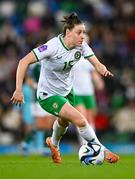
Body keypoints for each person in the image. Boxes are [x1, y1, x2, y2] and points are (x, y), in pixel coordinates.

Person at [11, 12, 119, 164]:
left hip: (67, 91)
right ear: (68, 32)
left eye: (84, 32)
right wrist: (18, 89)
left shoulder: (81, 46)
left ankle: (53, 144)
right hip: (48, 95)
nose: (83, 36)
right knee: (80, 120)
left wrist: (101, 68)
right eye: (79, 32)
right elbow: (23, 61)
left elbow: (96, 63)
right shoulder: (51, 47)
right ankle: (102, 149)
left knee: (64, 122)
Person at [73, 57, 105, 145]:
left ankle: (93, 142)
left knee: (91, 118)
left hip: (88, 92)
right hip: (76, 92)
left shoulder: (88, 57)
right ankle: (84, 144)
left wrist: (99, 82)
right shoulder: (70, 56)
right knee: (82, 118)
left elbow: (93, 72)